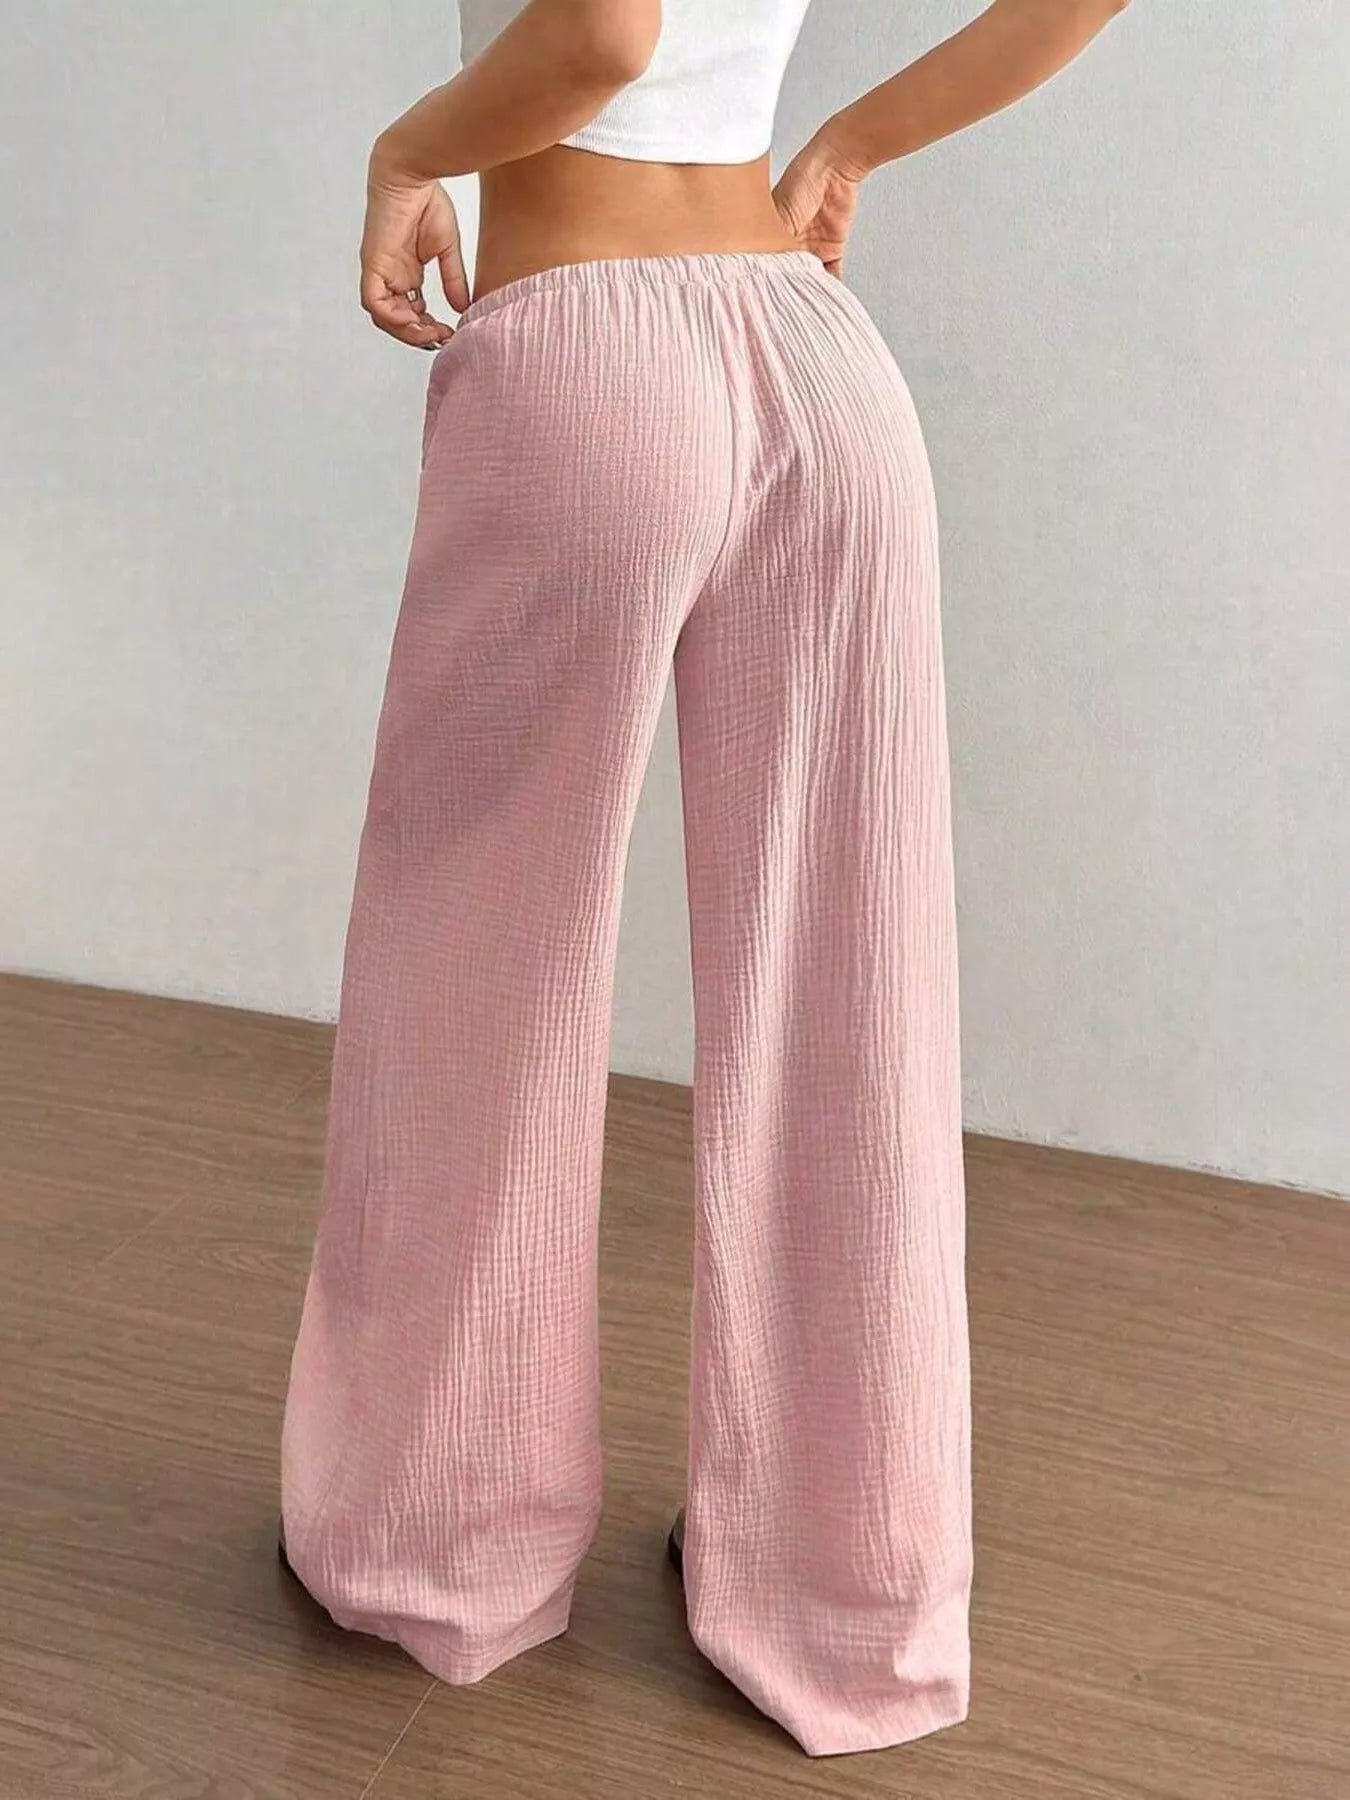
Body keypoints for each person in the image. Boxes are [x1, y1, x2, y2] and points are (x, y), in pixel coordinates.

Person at [278, 0, 1131, 1759]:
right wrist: (854, 143)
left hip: (585, 362)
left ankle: (440, 1541)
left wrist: (408, 151)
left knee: (479, 964)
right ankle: (853, 1594)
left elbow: (602, 35)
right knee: (850, 999)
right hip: (818, 365)